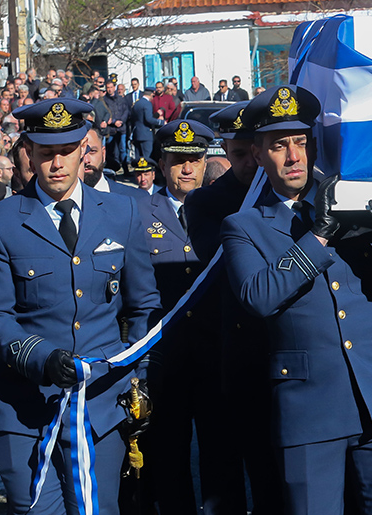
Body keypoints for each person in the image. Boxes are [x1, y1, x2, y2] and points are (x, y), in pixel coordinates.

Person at [222, 85, 372, 514]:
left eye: (301, 143)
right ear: (259, 155)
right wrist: (318, 235)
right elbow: (258, 296)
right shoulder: (243, 225)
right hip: (309, 408)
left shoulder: (357, 203)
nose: (294, 156)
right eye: (279, 146)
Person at [0, 98, 161, 514]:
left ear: (85, 149)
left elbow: (143, 306)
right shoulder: (0, 222)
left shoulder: (123, 211)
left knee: (98, 508)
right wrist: (43, 358)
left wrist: (137, 375)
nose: (57, 164)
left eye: (66, 151)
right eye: (46, 153)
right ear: (28, 152)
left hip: (100, 406)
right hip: (24, 409)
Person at [186, 100, 275, 514]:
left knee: (277, 472)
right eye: (238, 154)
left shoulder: (286, 195)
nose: (249, 163)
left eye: (255, 152)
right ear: (226, 152)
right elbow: (222, 264)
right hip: (233, 352)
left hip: (284, 350)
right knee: (225, 475)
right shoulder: (205, 203)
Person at [136, 119, 217, 513]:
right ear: (161, 163)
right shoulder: (137, 212)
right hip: (164, 357)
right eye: (178, 160)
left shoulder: (225, 210)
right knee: (168, 456)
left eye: (196, 159)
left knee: (221, 456)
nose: (187, 168)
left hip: (217, 352)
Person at [82, 127, 147, 199]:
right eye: (80, 153)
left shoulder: (136, 199)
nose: (86, 160)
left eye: (92, 151)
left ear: (103, 154)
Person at [104, 80, 131, 173]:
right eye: (108, 88)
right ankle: (113, 169)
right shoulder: (105, 100)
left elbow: (126, 111)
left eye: (111, 87)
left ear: (114, 88)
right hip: (111, 129)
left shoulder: (121, 99)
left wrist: (121, 121)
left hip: (121, 128)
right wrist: (114, 122)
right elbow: (107, 113)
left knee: (122, 149)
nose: (110, 89)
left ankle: (125, 169)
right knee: (110, 150)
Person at [130, 89, 164, 162]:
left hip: (137, 133)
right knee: (147, 158)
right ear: (151, 94)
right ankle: (147, 173)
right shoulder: (147, 104)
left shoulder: (137, 103)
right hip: (146, 134)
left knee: (138, 158)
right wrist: (161, 122)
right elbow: (148, 119)